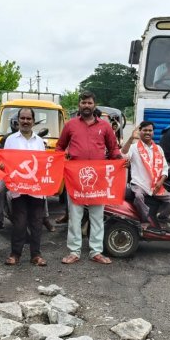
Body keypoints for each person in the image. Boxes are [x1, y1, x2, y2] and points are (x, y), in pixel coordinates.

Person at [56, 90, 120, 265]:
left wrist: (120, 162)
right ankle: (74, 251)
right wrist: (62, 162)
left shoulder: (105, 126)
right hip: (75, 178)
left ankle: (96, 251)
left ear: (94, 104)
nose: (86, 106)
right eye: (83, 103)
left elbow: (113, 149)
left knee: (97, 216)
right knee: (75, 217)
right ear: (79, 104)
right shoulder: (70, 125)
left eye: (89, 103)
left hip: (97, 178)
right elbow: (60, 147)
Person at [3, 107, 48, 266]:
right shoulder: (10, 140)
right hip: (18, 188)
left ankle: (36, 255)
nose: (25, 121)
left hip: (36, 189)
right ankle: (15, 254)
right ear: (18, 120)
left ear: (33, 121)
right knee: (20, 222)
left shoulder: (40, 142)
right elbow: (6, 162)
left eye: (29, 119)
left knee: (36, 222)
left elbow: (42, 165)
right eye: (23, 118)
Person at [120, 121, 170, 229]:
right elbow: (123, 155)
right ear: (140, 132)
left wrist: (160, 182)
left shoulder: (158, 149)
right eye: (145, 130)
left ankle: (161, 219)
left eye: (150, 130)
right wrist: (131, 139)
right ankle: (145, 220)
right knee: (138, 196)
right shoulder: (134, 147)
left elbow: (165, 168)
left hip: (155, 185)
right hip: (139, 184)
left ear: (153, 132)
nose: (147, 132)